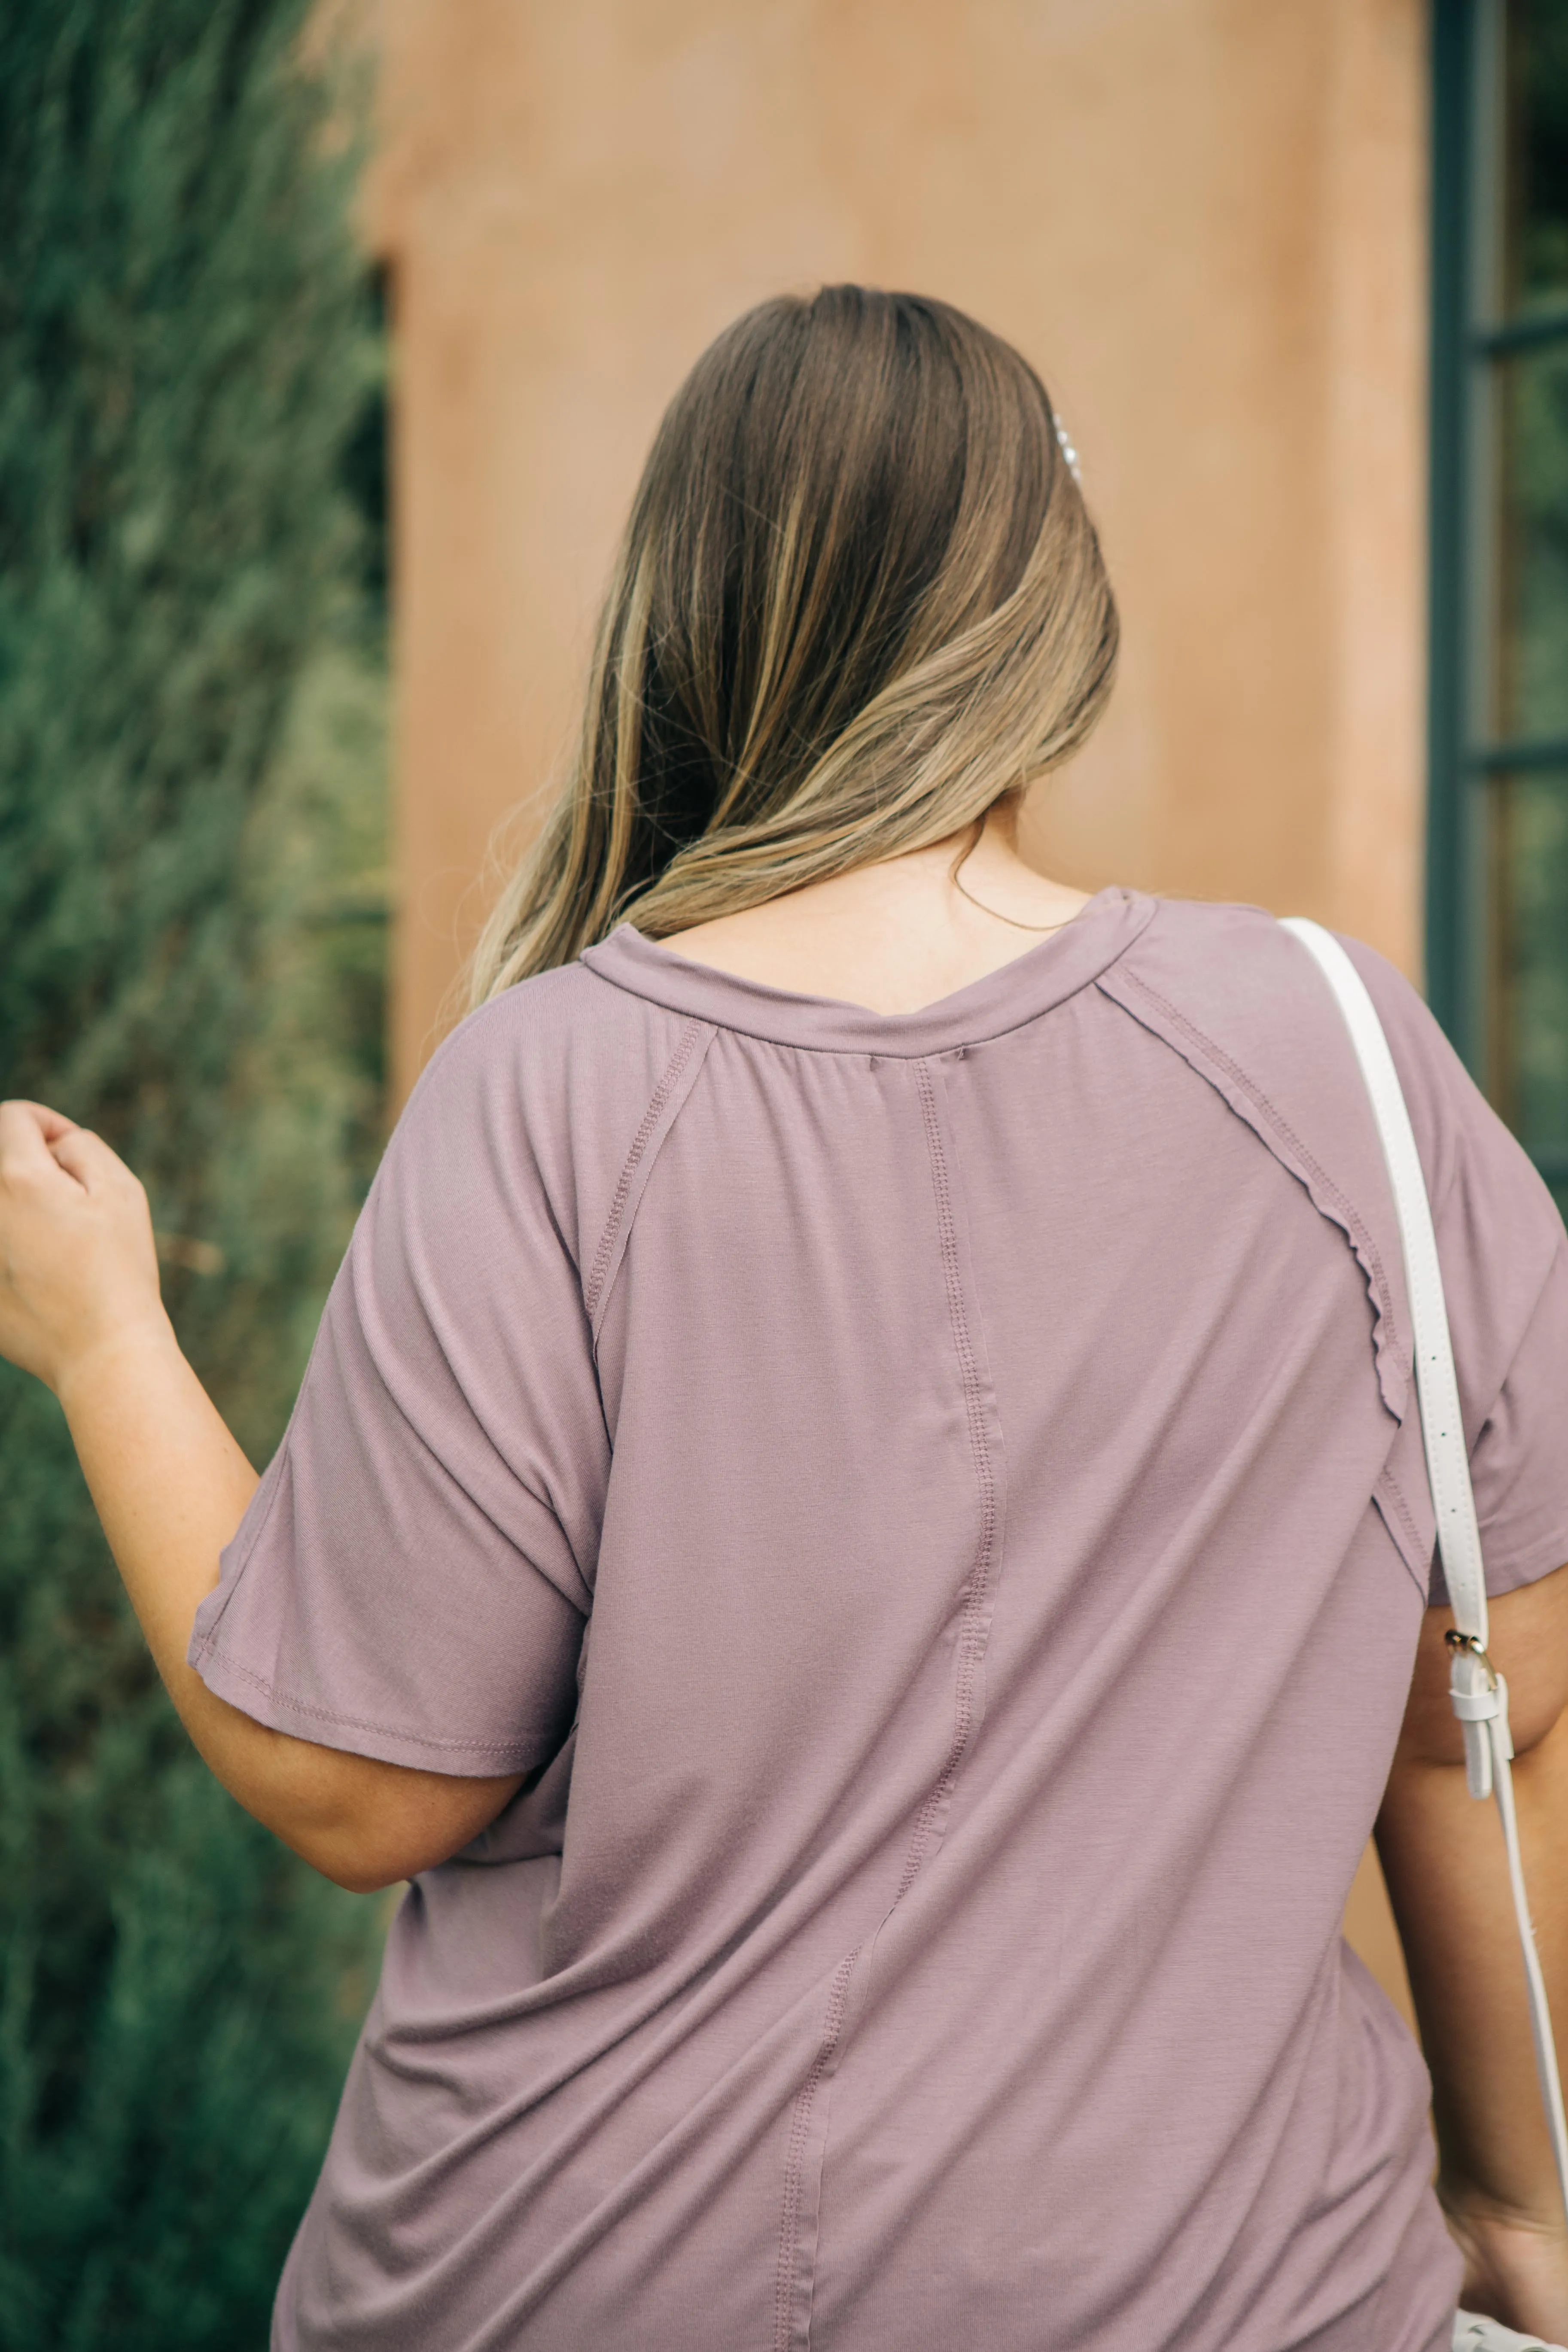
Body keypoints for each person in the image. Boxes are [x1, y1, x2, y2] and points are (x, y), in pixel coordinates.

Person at [2, 286, 1567, 2352]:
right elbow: (1486, 1703)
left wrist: (106, 1338)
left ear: (684, 618)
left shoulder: (545, 1090)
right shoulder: (1340, 1053)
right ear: (1053, 619)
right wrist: (1519, 2211)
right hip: (1243, 2300)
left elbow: (360, 1781)